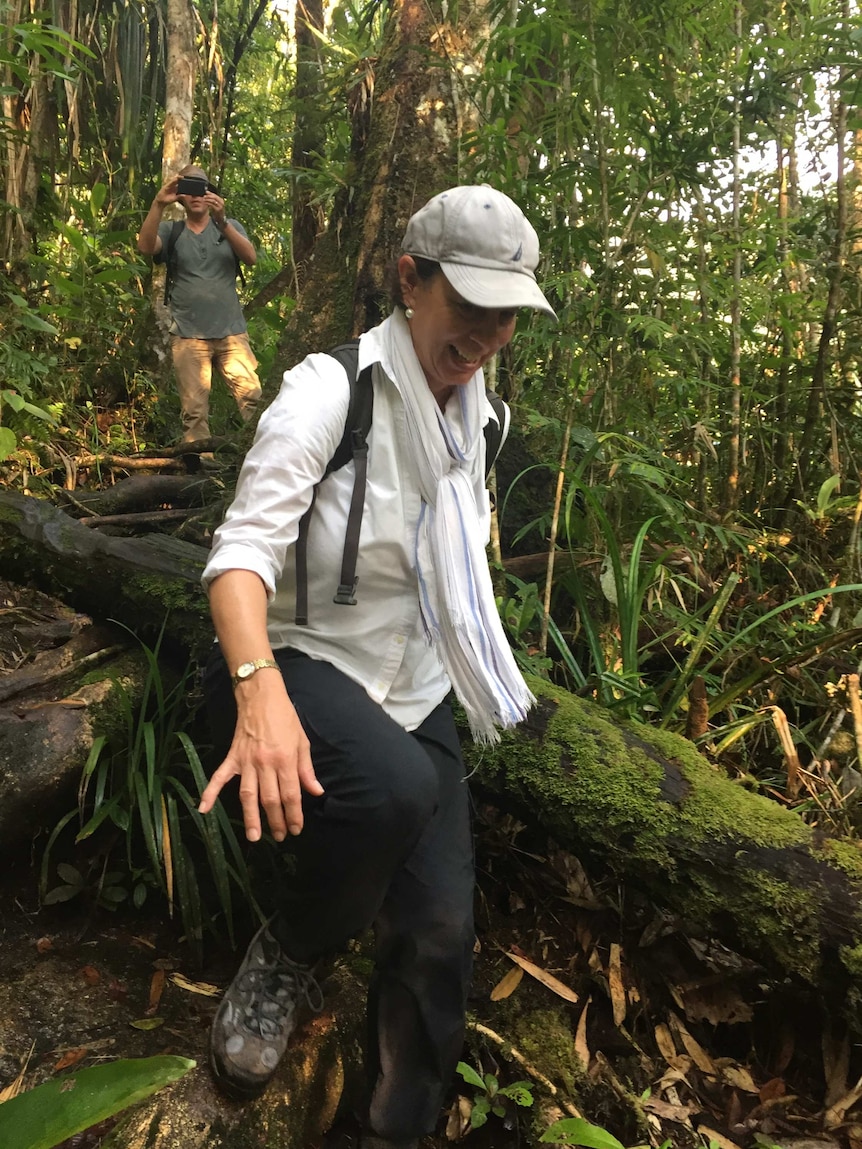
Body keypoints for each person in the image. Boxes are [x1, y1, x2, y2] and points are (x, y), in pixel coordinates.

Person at [197, 184, 557, 1149]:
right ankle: (292, 946)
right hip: (310, 660)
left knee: (441, 936)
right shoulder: (330, 391)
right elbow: (239, 558)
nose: (486, 333)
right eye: (470, 305)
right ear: (409, 279)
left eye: (506, 315)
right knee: (394, 787)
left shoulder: (480, 421)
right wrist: (256, 689)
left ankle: (388, 1132)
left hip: (421, 685)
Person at [137, 163, 262, 443]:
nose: (196, 195)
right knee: (194, 413)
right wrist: (158, 203)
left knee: (252, 398)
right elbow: (145, 247)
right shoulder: (173, 231)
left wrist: (223, 221)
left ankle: (258, 455)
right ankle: (200, 470)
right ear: (181, 196)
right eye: (189, 188)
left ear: (211, 194)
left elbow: (251, 258)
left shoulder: (229, 226)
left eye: (202, 188)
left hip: (231, 333)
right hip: (188, 334)